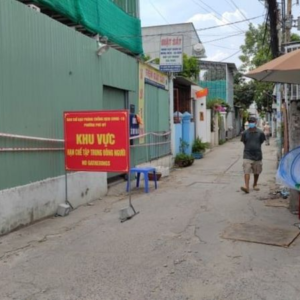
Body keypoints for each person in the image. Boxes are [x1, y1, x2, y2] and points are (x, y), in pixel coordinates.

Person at [240, 116, 266, 194]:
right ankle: (246, 187)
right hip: (247, 155)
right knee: (246, 171)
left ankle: (255, 184)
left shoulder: (260, 132)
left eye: (253, 122)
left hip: (257, 155)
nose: (251, 123)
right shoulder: (245, 133)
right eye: (250, 122)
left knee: (256, 172)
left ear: (255, 122)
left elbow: (261, 141)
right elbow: (244, 142)